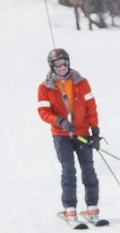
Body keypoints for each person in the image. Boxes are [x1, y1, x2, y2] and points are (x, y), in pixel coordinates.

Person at [37, 47, 101, 223]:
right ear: (52, 66)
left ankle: (92, 207)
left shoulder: (81, 82)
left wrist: (95, 131)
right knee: (68, 170)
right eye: (58, 63)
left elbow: (91, 107)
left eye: (64, 61)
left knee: (88, 169)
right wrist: (59, 121)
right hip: (61, 135)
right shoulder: (45, 87)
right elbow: (43, 111)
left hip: (82, 133)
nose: (62, 66)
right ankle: (70, 208)